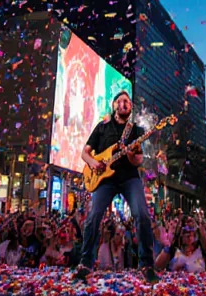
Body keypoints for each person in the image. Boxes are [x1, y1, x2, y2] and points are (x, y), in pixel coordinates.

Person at [72, 90, 158, 284]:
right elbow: (85, 154)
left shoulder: (136, 131)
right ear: (114, 106)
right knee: (94, 217)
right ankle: (85, 263)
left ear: (131, 107)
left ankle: (146, 264)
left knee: (142, 214)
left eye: (127, 101)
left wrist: (129, 154)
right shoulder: (102, 128)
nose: (123, 103)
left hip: (129, 178)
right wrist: (94, 164)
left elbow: (138, 161)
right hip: (105, 180)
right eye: (120, 101)